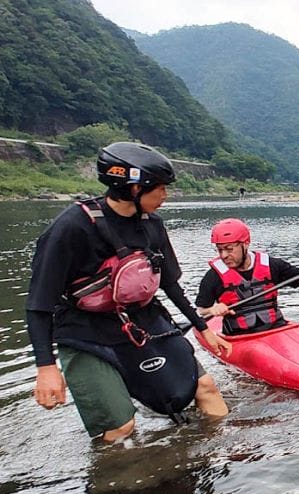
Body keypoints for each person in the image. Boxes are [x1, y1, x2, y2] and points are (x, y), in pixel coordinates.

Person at [26, 142, 232, 442]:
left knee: (205, 387)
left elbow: (169, 284)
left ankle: (226, 461)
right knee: (120, 428)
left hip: (142, 320)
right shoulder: (72, 227)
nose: (165, 196)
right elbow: (39, 305)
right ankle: (119, 479)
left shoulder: (153, 225)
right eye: (159, 188)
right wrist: (46, 368)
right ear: (133, 189)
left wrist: (203, 328)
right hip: (85, 331)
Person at [195, 218, 299, 335]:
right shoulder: (213, 276)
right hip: (239, 336)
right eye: (220, 250)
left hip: (277, 329)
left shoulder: (271, 264)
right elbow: (201, 311)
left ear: (245, 244)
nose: (224, 255)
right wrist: (212, 309)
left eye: (229, 249)